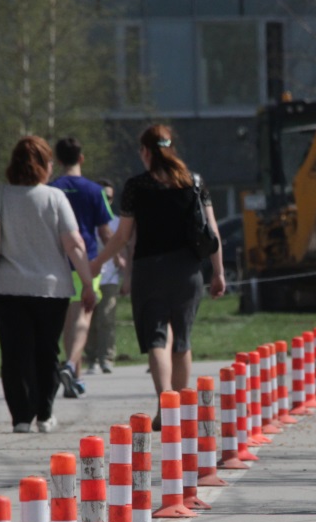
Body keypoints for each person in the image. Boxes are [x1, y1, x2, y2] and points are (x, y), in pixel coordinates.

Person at [91, 124, 225, 428]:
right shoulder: (194, 182)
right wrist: (218, 272)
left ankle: (166, 403)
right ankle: (180, 409)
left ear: (145, 152)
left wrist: (98, 262)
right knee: (182, 340)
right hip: (187, 270)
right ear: (171, 147)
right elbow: (212, 231)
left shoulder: (136, 186)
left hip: (149, 270)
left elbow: (123, 236)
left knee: (157, 338)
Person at [0, 136, 95, 432]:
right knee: (46, 352)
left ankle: (20, 417)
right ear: (44, 164)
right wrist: (87, 283)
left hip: (6, 288)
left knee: (14, 354)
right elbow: (74, 244)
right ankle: (44, 414)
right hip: (50, 289)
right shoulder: (54, 198)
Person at [49, 137, 112, 397]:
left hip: (58, 261)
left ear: (58, 160)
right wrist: (115, 257)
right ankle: (71, 366)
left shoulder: (52, 189)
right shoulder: (95, 190)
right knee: (83, 318)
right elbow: (105, 232)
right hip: (86, 261)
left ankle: (75, 376)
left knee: (68, 320)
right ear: (81, 158)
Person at [84, 179, 125, 375]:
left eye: (108, 198)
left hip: (109, 277)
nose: (105, 201)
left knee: (106, 318)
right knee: (89, 320)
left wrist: (122, 264)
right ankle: (91, 358)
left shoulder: (116, 222)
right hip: (89, 276)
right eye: (102, 197)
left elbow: (124, 245)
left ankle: (106, 358)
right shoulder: (86, 220)